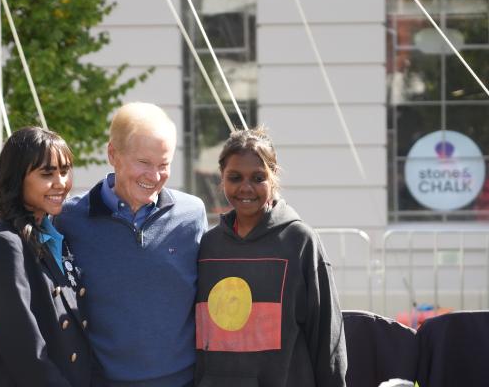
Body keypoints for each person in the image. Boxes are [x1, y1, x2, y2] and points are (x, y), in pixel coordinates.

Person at [54, 102, 208, 387]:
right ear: (113, 154)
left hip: (184, 382)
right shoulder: (69, 219)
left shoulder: (192, 214)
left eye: (164, 164)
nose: (154, 176)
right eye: (144, 163)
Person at [194, 127, 347, 387]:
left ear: (273, 177)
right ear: (222, 178)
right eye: (235, 177)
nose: (246, 188)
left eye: (257, 177)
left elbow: (327, 337)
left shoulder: (300, 241)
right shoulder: (207, 246)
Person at [0, 126, 94, 386]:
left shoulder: (54, 235)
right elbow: (27, 356)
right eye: (47, 173)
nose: (61, 182)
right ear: (17, 178)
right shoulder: (2, 245)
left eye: (64, 170)